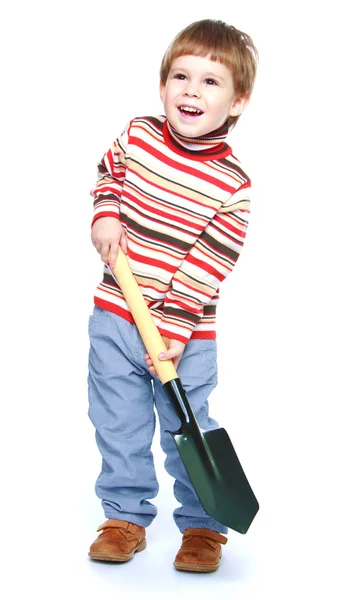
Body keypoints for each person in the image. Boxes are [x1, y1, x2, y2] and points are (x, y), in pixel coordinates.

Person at [88, 18, 258, 573]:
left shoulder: (233, 184)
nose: (191, 90)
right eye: (181, 76)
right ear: (163, 86)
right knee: (116, 419)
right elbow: (108, 174)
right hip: (117, 314)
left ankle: (204, 526)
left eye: (211, 82)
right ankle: (125, 517)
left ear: (238, 102)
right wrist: (106, 213)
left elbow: (213, 260)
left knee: (188, 424)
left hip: (186, 335)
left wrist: (177, 328)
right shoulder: (137, 135)